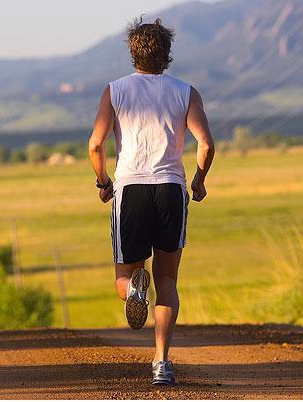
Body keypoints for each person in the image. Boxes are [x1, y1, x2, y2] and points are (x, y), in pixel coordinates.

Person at [88, 17, 215, 386]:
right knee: (168, 279)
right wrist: (199, 180)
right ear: (167, 54)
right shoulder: (186, 92)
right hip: (172, 190)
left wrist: (102, 181)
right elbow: (206, 144)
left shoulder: (115, 91)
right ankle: (161, 363)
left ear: (133, 53)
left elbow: (95, 144)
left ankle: (133, 291)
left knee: (124, 276)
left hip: (129, 190)